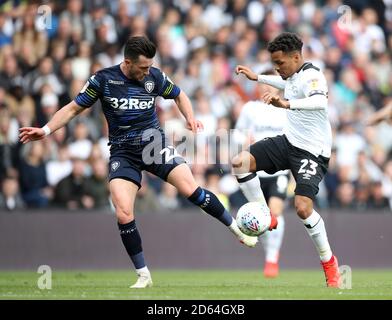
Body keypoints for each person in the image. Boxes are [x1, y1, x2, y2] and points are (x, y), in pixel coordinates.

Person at [19, 36, 259, 289]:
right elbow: (72, 109)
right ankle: (143, 274)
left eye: (149, 67)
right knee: (123, 212)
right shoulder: (103, 80)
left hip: (154, 146)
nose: (147, 72)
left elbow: (180, 95)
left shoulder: (154, 77)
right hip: (123, 153)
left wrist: (190, 117)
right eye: (143, 68)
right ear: (127, 62)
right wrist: (45, 131)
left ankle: (236, 229)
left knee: (191, 190)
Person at [232, 32, 341, 287]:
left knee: (303, 208)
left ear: (295, 57)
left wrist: (286, 105)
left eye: (280, 63)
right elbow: (285, 84)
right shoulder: (291, 76)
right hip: (289, 142)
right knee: (240, 163)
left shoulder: (312, 75)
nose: (277, 68)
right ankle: (265, 214)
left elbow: (319, 102)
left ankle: (329, 262)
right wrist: (256, 77)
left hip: (312, 151)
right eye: (274, 64)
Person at [234, 71, 289, 278]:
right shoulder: (251, 109)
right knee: (263, 217)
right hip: (255, 172)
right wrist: (243, 141)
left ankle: (272, 259)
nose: (266, 88)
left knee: (275, 212)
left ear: (277, 87)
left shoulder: (285, 109)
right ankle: (267, 251)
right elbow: (238, 133)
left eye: (270, 84)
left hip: (279, 170)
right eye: (263, 84)